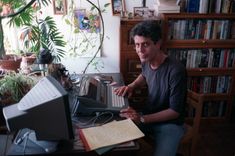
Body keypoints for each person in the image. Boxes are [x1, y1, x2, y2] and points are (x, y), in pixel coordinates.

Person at [115, 20, 187, 156]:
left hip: (170, 124)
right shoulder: (147, 60)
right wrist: (131, 86)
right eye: (137, 45)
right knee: (116, 136)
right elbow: (144, 75)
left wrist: (142, 119)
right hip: (148, 115)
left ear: (158, 43)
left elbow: (174, 111)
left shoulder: (176, 70)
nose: (140, 51)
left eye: (145, 44)